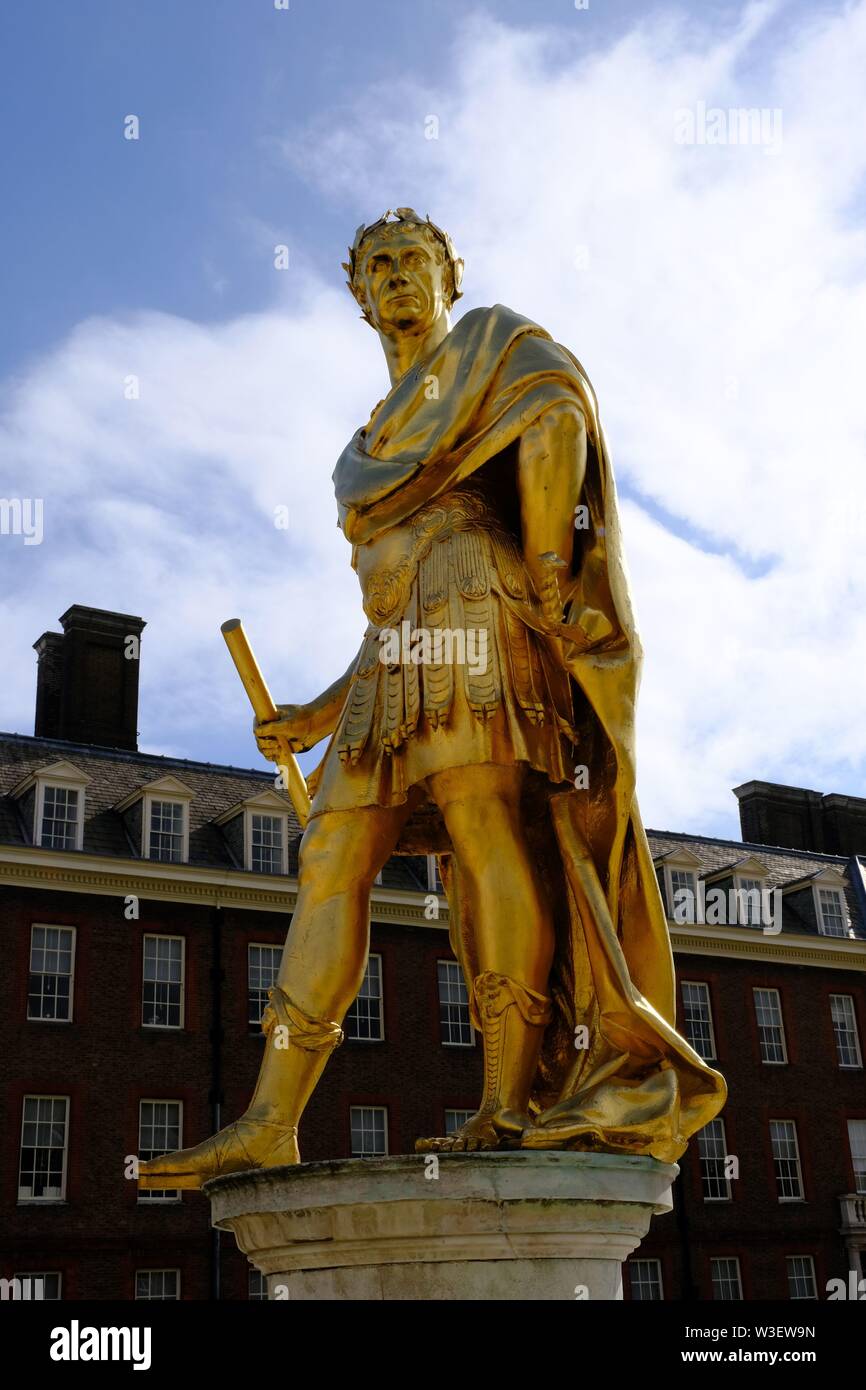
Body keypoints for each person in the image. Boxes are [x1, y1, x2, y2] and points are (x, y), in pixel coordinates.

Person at [138, 209, 725, 1191]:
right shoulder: (364, 444)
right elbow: (386, 614)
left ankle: (506, 1099)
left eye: (414, 259)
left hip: (484, 605)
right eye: (377, 266)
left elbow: (556, 417)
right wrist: (318, 716)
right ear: (358, 293)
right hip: (398, 647)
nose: (397, 276)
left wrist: (550, 573)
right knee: (329, 853)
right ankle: (270, 1117)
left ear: (448, 274)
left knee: (485, 822)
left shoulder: (496, 348)